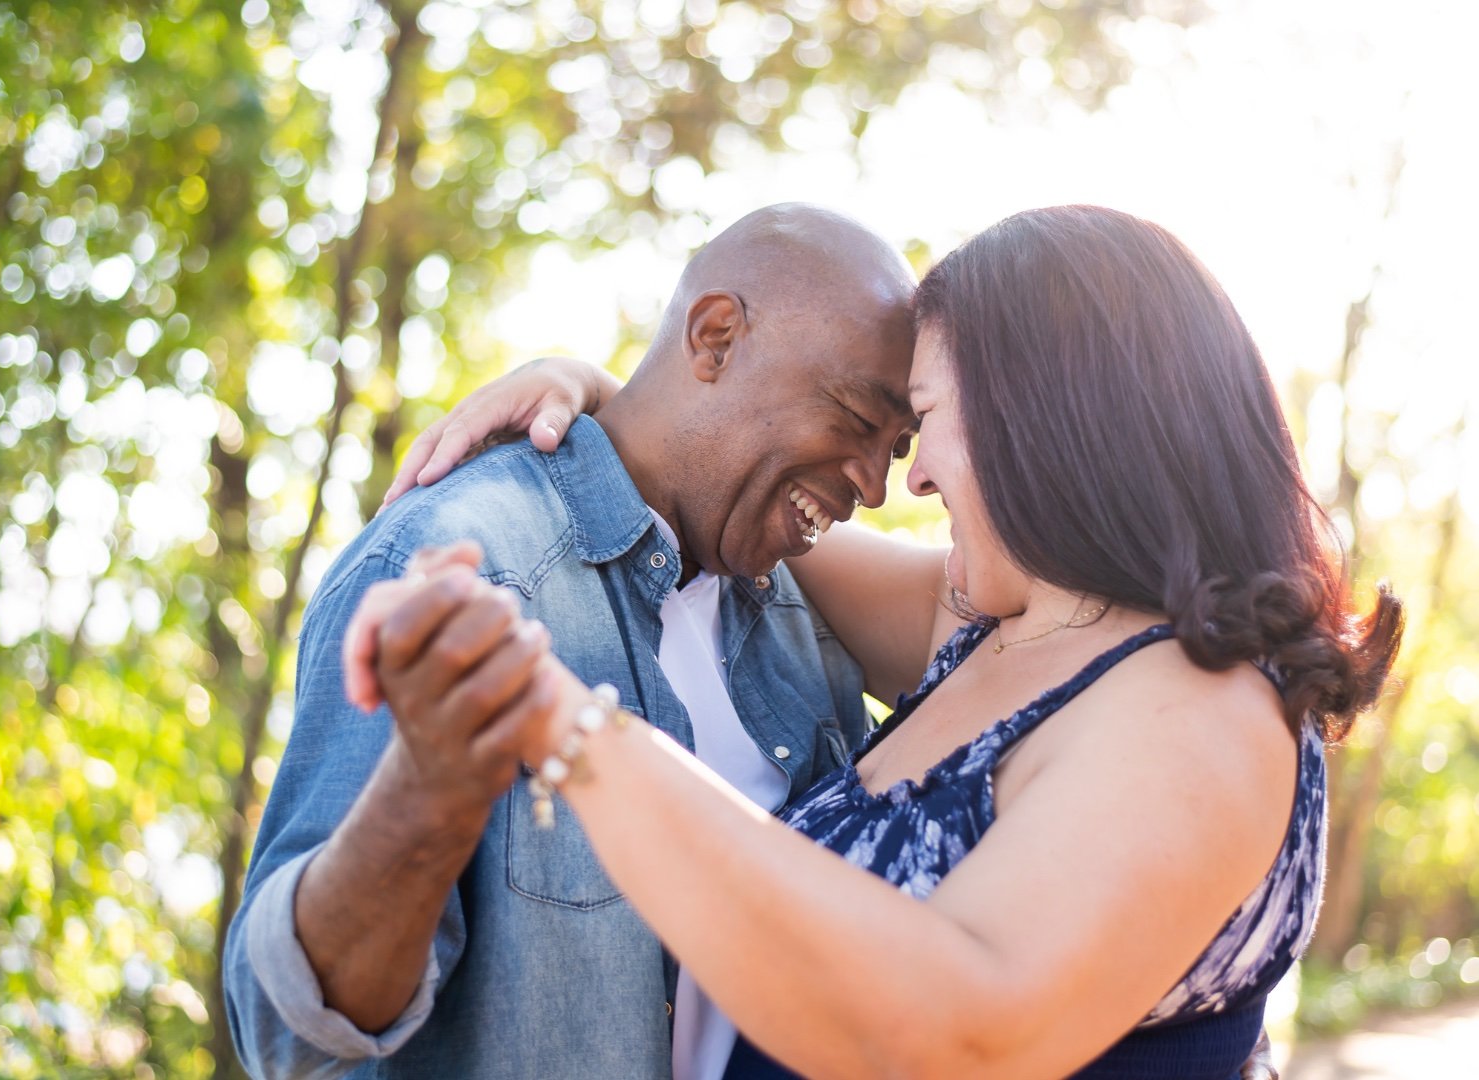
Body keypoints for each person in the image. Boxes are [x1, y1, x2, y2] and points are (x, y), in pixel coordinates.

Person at [361, 205, 1402, 1078]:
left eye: (922, 421)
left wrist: (560, 720)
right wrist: (606, 396)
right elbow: (720, 496)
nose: (904, 481)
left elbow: (966, 1030)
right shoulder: (1004, 630)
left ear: (1044, 420)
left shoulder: (1197, 706)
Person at [221, 204, 923, 1078]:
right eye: (858, 418)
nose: (875, 483)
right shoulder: (461, 567)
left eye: (898, 447)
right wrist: (427, 798)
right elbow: (286, 1036)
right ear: (714, 338)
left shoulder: (803, 622)